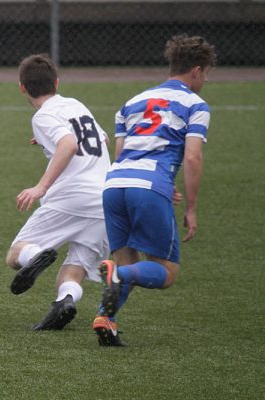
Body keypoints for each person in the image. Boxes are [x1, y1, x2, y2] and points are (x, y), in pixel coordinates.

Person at [93, 34, 217, 346]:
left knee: (125, 261)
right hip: (148, 186)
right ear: (197, 71)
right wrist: (190, 207)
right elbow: (192, 157)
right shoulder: (195, 104)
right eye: (207, 74)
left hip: (115, 183)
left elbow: (122, 154)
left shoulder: (132, 101)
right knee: (166, 272)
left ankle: (105, 320)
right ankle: (118, 278)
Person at [6, 54, 111, 330]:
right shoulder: (75, 104)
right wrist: (45, 139)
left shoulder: (43, 115)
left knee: (16, 254)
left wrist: (40, 186)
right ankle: (64, 301)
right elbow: (102, 139)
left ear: (22, 87)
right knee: (74, 269)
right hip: (104, 199)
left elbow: (68, 144)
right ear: (57, 82)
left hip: (72, 196)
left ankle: (36, 256)